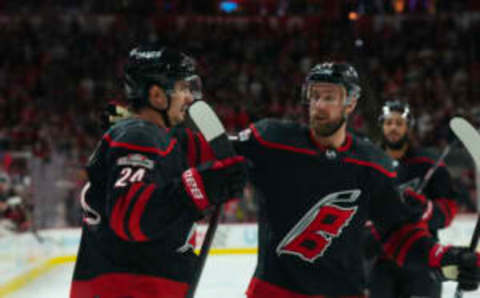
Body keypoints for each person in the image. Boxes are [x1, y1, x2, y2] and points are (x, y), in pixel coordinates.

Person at [230, 62, 480, 297]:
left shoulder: (372, 164)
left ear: (350, 103)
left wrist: (445, 258)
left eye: (329, 97)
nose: (318, 105)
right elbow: (218, 153)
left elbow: (398, 233)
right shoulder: (271, 140)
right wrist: (212, 177)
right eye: (314, 96)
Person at [70, 45, 247, 298]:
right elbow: (129, 217)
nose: (189, 97)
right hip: (130, 290)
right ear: (156, 96)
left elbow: (223, 151)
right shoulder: (139, 136)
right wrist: (201, 187)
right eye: (182, 88)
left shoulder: (158, 137)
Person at [368, 100, 458, 298]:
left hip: (422, 257)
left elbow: (449, 211)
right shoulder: (368, 162)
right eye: (389, 122)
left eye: (399, 123)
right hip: (379, 261)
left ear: (408, 127)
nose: (393, 128)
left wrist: (426, 209)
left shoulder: (428, 163)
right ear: (381, 125)